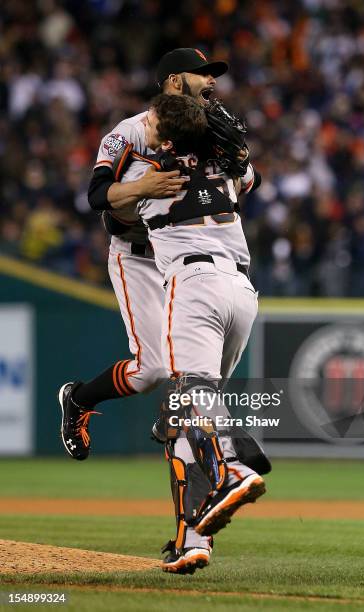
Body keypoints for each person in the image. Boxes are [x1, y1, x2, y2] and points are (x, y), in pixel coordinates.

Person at [58, 48, 262, 574]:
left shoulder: (212, 130)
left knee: (182, 401)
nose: (212, 82)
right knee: (156, 373)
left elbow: (245, 179)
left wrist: (241, 167)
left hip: (193, 264)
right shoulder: (132, 130)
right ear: (175, 80)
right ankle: (79, 399)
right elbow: (98, 195)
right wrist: (143, 186)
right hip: (140, 257)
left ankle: (191, 538)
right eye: (203, 74)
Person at [113, 92, 265, 573]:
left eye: (155, 120)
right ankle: (195, 539)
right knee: (186, 411)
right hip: (242, 292)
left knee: (191, 395)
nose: (148, 125)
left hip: (193, 282)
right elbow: (249, 173)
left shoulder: (147, 174)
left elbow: (109, 205)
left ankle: (233, 466)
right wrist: (237, 153)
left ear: (167, 131)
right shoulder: (229, 168)